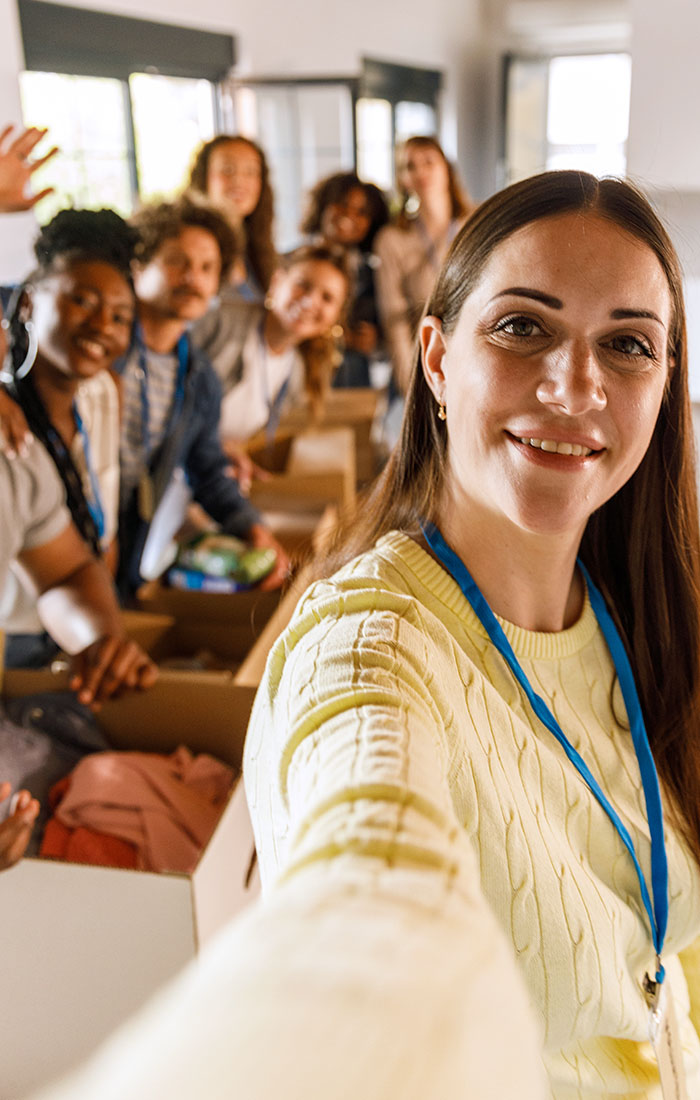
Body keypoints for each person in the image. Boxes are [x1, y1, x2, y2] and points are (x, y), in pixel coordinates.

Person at [118, 194, 289, 593]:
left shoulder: (199, 377)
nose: (193, 277)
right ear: (139, 264)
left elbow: (207, 466)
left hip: (126, 536)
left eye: (207, 267)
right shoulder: (103, 346)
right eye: (177, 261)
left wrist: (252, 527)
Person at [0, 208, 137, 665]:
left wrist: (104, 635)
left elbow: (89, 548)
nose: (103, 326)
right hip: (17, 640)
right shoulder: (9, 424)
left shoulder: (102, 394)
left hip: (77, 624)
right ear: (27, 305)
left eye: (120, 317)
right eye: (83, 301)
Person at [191, 243, 349, 488]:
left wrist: (233, 455)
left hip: (206, 479)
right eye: (303, 285)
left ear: (335, 316)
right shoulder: (221, 321)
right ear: (277, 282)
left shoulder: (296, 371)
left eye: (327, 298)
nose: (310, 301)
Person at [374, 135, 474, 393]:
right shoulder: (392, 239)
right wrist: (409, 383)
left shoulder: (477, 223)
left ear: (446, 169)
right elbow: (393, 319)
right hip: (423, 363)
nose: (420, 172)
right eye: (410, 166)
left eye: (428, 162)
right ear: (402, 179)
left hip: (475, 358)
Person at [300, 171, 389, 388]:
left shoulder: (373, 275)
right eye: (342, 204)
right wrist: (338, 337)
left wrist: (375, 342)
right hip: (301, 381)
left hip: (354, 385)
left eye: (362, 212)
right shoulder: (291, 264)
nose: (349, 215)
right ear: (323, 205)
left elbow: (389, 336)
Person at [188, 134, 276, 303]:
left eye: (251, 172)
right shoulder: (190, 244)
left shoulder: (256, 250)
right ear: (204, 177)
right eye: (227, 170)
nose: (239, 180)